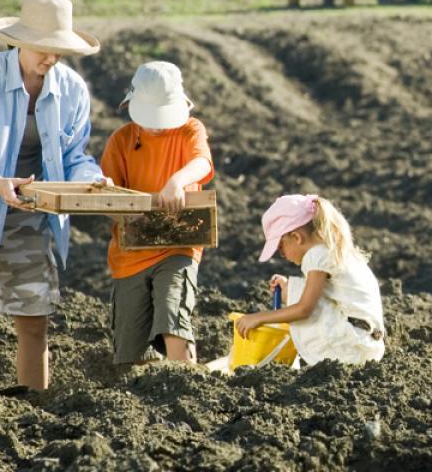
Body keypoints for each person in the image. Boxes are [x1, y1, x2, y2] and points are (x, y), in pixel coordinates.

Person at [0, 0, 106, 391]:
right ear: (20, 42)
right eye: (43, 49)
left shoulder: (72, 90)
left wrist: (91, 181)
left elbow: (74, 154)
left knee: (34, 317)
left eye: (58, 51)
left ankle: (34, 407)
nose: (51, 58)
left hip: (25, 208)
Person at [99, 61, 214, 365]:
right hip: (130, 253)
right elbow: (109, 197)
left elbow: (202, 163)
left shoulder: (190, 129)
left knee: (174, 321)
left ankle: (187, 392)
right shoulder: (122, 140)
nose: (156, 124)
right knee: (128, 353)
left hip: (179, 244)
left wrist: (177, 181)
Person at [237, 195, 385, 365]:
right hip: (367, 344)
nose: (282, 255)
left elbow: (304, 310)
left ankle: (319, 361)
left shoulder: (316, 255)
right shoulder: (334, 250)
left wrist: (259, 318)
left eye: (280, 248)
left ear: (296, 237)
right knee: (298, 289)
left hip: (351, 349)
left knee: (300, 299)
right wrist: (289, 288)